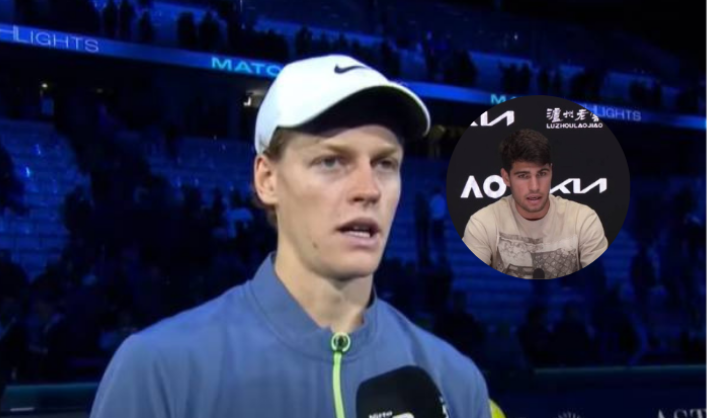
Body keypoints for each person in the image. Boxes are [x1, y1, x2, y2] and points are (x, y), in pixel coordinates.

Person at [90, 54, 491, 418]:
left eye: (385, 163)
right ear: (267, 180)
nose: (369, 189)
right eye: (331, 161)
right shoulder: (160, 372)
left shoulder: (455, 381)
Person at [462, 128, 607, 279]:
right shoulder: (482, 223)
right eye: (523, 176)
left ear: (551, 171)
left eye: (542, 174)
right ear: (506, 177)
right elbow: (474, 283)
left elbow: (597, 284)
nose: (535, 187)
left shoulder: (583, 219)